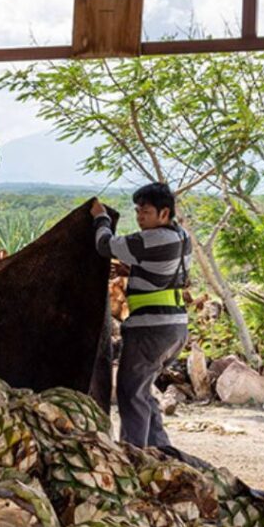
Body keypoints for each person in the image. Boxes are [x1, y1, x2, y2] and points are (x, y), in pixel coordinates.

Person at [91, 183, 191, 449]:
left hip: (151, 328)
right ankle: (159, 450)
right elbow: (162, 272)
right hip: (175, 327)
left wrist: (100, 218)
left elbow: (104, 245)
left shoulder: (152, 238)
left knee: (130, 391)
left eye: (145, 211)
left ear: (164, 213)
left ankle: (133, 454)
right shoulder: (181, 236)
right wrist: (133, 269)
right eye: (137, 211)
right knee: (142, 391)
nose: (139, 217)